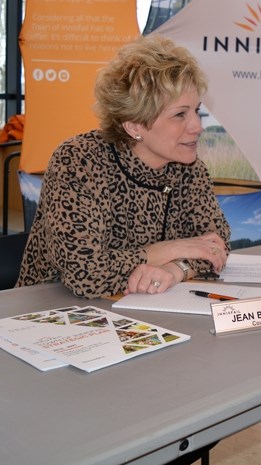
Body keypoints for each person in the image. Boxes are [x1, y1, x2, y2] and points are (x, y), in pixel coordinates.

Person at [17, 34, 230, 299]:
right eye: (180, 114)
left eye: (196, 110)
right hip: (53, 311)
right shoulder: (79, 161)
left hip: (145, 309)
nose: (197, 126)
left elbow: (216, 245)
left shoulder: (189, 167)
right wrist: (173, 249)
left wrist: (177, 269)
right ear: (134, 126)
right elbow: (85, 274)